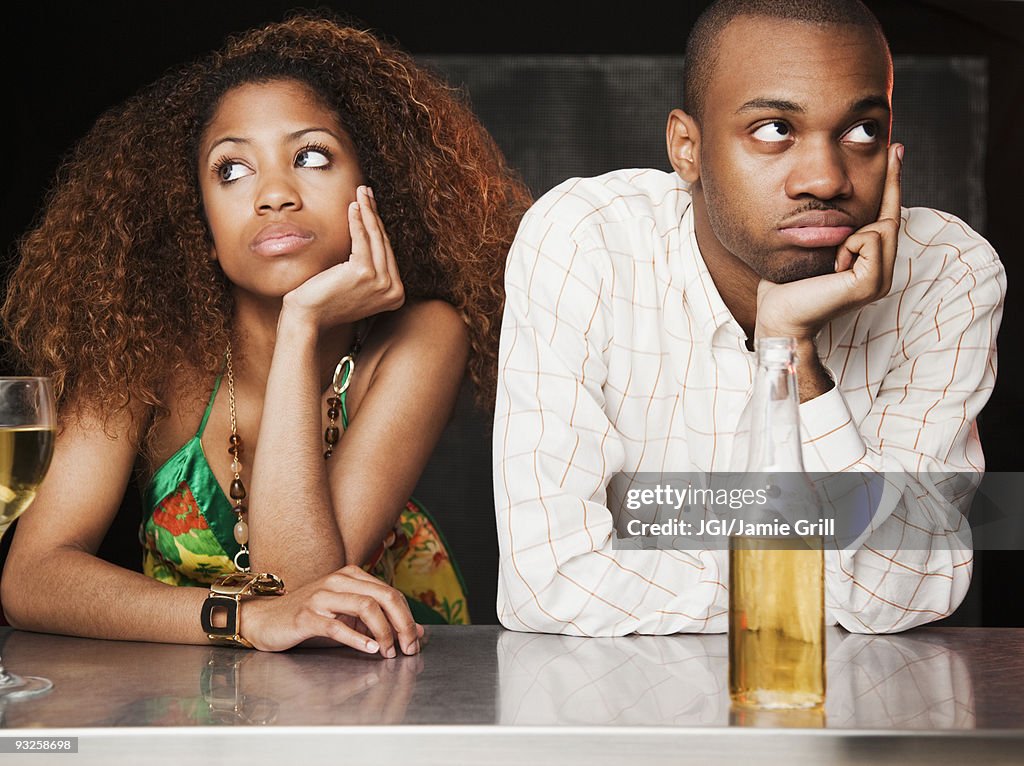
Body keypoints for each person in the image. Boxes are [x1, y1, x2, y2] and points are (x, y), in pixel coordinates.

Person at [1, 15, 531, 653]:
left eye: (310, 156)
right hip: (184, 706)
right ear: (195, 209)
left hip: (375, 686)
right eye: (232, 170)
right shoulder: (144, 347)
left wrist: (301, 325)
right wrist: (239, 620)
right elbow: (31, 578)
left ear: (374, 180)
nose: (274, 194)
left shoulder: (422, 336)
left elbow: (302, 586)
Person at [493, 0, 1005, 636]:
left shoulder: (947, 272)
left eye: (862, 131)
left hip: (848, 715)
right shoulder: (585, 239)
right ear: (688, 148)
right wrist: (795, 578)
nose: (825, 178)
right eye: (773, 130)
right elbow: (549, 581)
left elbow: (903, 591)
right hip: (622, 717)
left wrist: (792, 354)